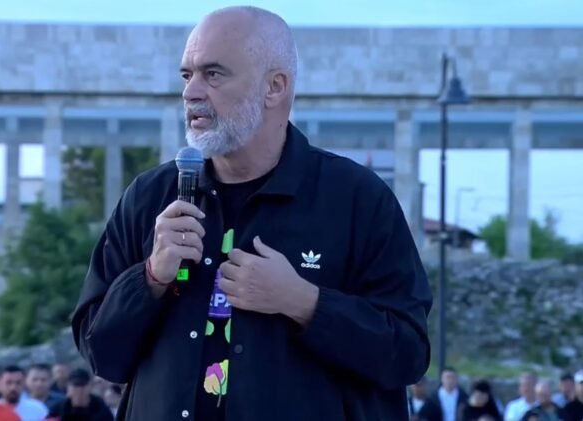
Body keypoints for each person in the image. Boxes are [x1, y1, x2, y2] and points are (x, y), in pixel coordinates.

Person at [71, 5, 432, 421]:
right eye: (187, 76)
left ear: (274, 87)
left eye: (213, 74)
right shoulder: (150, 197)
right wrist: (150, 277)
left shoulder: (357, 200)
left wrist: (304, 302)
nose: (191, 93)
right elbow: (101, 354)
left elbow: (407, 353)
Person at [47, 369, 113, 421]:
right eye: (76, 385)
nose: (79, 390)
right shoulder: (58, 409)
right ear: (69, 387)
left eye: (82, 385)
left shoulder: (101, 407)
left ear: (90, 386)